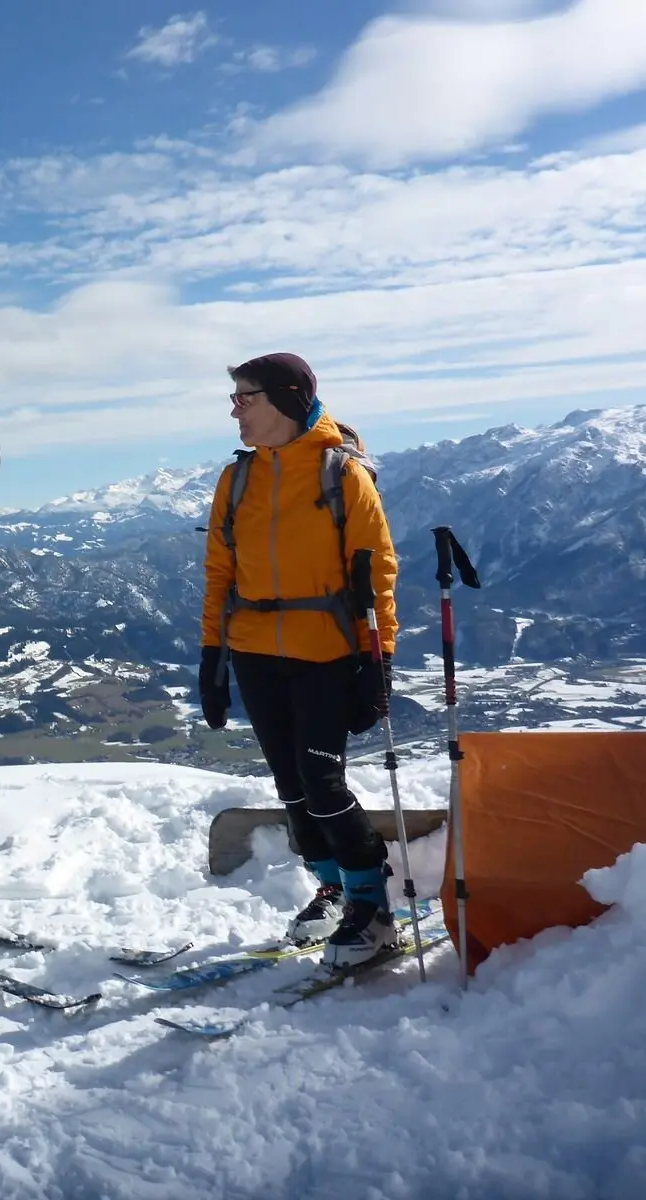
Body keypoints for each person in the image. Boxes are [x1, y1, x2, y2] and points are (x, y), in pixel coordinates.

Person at [197, 353, 400, 968]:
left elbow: (378, 573)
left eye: (245, 397)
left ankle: (373, 906)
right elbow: (219, 574)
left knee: (322, 779)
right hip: (256, 651)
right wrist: (213, 656)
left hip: (325, 651)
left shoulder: (341, 474)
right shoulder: (236, 481)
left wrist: (379, 659)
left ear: (285, 399)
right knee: (291, 784)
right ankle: (334, 886)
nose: (235, 410)